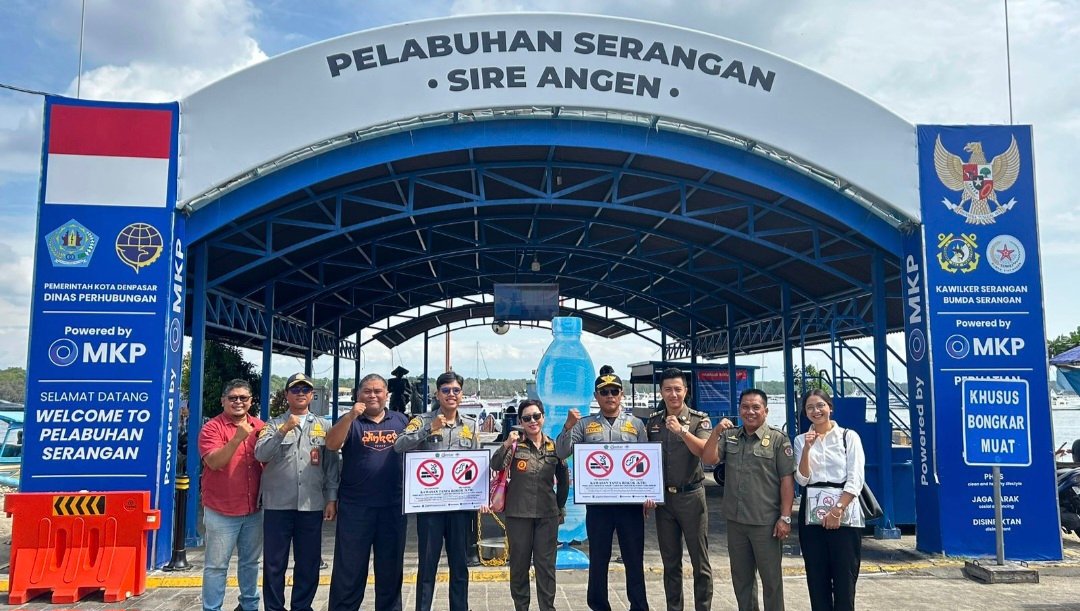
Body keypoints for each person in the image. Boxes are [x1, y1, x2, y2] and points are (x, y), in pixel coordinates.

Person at [555, 365, 653, 611]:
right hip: (598, 505)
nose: (610, 396)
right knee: (599, 559)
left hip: (630, 505)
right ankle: (599, 605)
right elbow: (561, 452)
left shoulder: (636, 424)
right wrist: (567, 427)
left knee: (634, 558)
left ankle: (639, 606)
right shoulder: (584, 425)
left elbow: (647, 463)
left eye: (614, 391)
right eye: (604, 392)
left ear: (621, 394)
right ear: (596, 396)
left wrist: (649, 494)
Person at [254, 373, 341, 611]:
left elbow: (331, 466)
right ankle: (274, 607)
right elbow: (261, 454)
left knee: (308, 562)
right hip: (278, 504)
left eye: (305, 390)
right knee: (274, 563)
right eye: (295, 389)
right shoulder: (273, 424)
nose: (300, 393)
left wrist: (331, 498)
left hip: (311, 504)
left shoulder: (324, 426)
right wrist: (283, 430)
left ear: (312, 395)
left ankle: (302, 606)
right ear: (286, 395)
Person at [394, 371, 479, 611]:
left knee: (460, 567)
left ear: (461, 394)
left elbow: (475, 463)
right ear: (437, 394)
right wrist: (428, 429)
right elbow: (399, 445)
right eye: (446, 390)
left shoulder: (470, 425)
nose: (451, 395)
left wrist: (480, 495)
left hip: (460, 507)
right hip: (430, 507)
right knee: (427, 566)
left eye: (456, 390)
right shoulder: (422, 420)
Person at [326, 373, 411, 611]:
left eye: (378, 391)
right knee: (349, 571)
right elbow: (331, 444)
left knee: (390, 570)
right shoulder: (350, 420)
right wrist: (350, 416)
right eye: (367, 391)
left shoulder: (401, 420)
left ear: (387, 394)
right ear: (358, 395)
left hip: (393, 506)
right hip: (356, 508)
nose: (372, 395)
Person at [703, 388, 794, 611]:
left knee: (771, 581)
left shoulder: (778, 439)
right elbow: (709, 458)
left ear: (766, 411)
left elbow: (787, 481)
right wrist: (715, 432)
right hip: (736, 522)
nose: (750, 412)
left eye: (755, 407)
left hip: (766, 523)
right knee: (742, 580)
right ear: (739, 409)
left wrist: (785, 517)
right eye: (745, 407)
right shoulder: (730, 436)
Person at [488, 399, 568, 611]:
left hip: (547, 515)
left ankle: (547, 607)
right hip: (518, 515)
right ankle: (521, 607)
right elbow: (496, 464)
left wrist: (559, 507)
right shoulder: (516, 446)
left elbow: (564, 479)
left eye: (536, 416)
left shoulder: (554, 447)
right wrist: (506, 443)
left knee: (546, 567)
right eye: (527, 418)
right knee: (519, 566)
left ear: (543, 417)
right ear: (521, 421)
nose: (532, 421)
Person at [645, 368, 714, 611]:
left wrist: (682, 431)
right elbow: (645, 461)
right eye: (668, 389)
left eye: (677, 389)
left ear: (686, 390)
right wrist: (646, 493)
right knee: (670, 563)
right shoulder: (654, 422)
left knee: (700, 562)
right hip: (664, 500)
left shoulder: (699, 420)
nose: (673, 394)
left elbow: (704, 451)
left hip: (691, 497)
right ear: (661, 392)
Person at [793, 390, 866, 611]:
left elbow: (855, 479)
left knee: (845, 576)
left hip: (844, 508)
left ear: (830, 407)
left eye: (820, 405)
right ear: (805, 412)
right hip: (812, 510)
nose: (816, 411)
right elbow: (802, 479)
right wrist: (807, 449)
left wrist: (837, 510)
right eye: (810, 407)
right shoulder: (800, 440)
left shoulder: (848, 436)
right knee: (816, 576)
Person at [198, 380, 265, 611]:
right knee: (216, 566)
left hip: (253, 509)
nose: (238, 402)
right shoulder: (211, 428)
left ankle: (249, 605)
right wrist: (237, 438)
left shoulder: (260, 427)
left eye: (243, 398)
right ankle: (212, 608)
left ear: (251, 401)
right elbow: (214, 462)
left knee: (251, 563)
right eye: (233, 398)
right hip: (221, 511)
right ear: (223, 401)